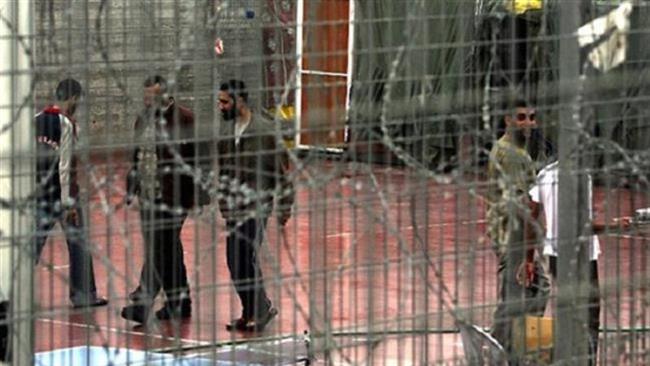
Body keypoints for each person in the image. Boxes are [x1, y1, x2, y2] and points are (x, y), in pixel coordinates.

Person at [121, 75, 209, 324]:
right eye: (146, 96)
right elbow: (137, 156)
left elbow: (198, 159)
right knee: (168, 250)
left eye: (153, 96)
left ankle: (143, 300)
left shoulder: (185, 119)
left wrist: (197, 196)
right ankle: (179, 303)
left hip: (174, 197)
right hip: (148, 195)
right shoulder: (143, 119)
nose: (148, 101)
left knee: (159, 248)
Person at [529, 159, 631, 365]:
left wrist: (527, 258)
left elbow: (531, 216)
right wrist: (615, 226)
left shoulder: (546, 174)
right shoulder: (580, 177)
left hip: (556, 254)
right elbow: (580, 226)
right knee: (589, 316)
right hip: (582, 256)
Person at [216, 79, 294, 332]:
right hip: (233, 206)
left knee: (244, 259)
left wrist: (284, 208)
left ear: (240, 101)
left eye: (225, 101)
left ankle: (259, 310)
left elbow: (282, 174)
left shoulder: (265, 132)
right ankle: (253, 309)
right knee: (233, 261)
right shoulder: (227, 131)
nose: (220, 106)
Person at [33, 78, 108, 308]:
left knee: (31, 246)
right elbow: (63, 166)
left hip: (37, 193)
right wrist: (66, 203)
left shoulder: (34, 120)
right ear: (74, 98)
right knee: (78, 243)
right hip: (62, 194)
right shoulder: (66, 124)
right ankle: (83, 295)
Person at [486, 98, 549, 358]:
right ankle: (503, 348)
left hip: (510, 231)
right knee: (531, 290)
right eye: (521, 117)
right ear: (507, 120)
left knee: (520, 292)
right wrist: (528, 250)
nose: (529, 124)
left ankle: (507, 346)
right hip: (513, 234)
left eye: (532, 117)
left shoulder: (513, 151)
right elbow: (523, 204)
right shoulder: (512, 155)